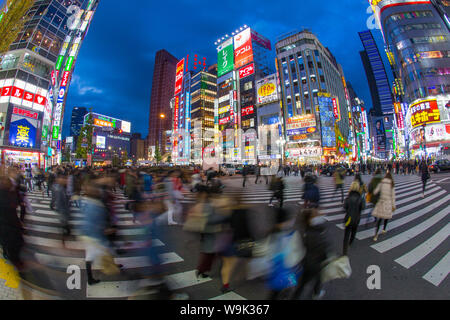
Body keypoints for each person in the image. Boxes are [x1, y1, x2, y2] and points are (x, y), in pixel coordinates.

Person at [292, 207, 332, 300]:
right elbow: (324, 248)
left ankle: (297, 296)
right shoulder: (317, 233)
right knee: (317, 278)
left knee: (303, 283)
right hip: (316, 263)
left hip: (306, 262)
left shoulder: (306, 231)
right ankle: (316, 293)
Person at [372, 172, 396, 241]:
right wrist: (393, 206)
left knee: (379, 219)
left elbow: (375, 191)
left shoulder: (381, 182)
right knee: (386, 217)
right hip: (388, 203)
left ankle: (376, 235)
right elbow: (393, 196)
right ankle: (384, 229)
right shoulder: (391, 184)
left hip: (381, 202)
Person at [343, 182, 365, 255]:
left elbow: (344, 207)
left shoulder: (348, 197)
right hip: (356, 218)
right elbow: (362, 207)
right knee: (354, 231)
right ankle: (351, 242)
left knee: (346, 233)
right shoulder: (360, 198)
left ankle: (344, 251)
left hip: (348, 218)